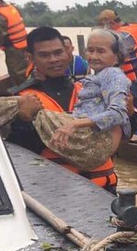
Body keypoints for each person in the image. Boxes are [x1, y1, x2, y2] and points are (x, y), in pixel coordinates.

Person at [7, 26, 120, 192]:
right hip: (59, 192)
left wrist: (130, 113)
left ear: (68, 53)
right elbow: (20, 153)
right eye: (44, 55)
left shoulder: (91, 89)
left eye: (58, 52)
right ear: (30, 57)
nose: (53, 59)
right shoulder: (21, 99)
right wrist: (24, 121)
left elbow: (122, 135)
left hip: (104, 189)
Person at [51, 29, 131, 151]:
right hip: (88, 134)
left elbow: (118, 113)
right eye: (90, 50)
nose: (93, 56)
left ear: (117, 57)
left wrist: (75, 124)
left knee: (40, 115)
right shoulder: (97, 75)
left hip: (96, 140)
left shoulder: (113, 75)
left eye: (101, 51)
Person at [96, 8, 137, 109]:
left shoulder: (123, 35)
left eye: (103, 27)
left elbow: (114, 53)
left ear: (112, 23)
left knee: (128, 111)